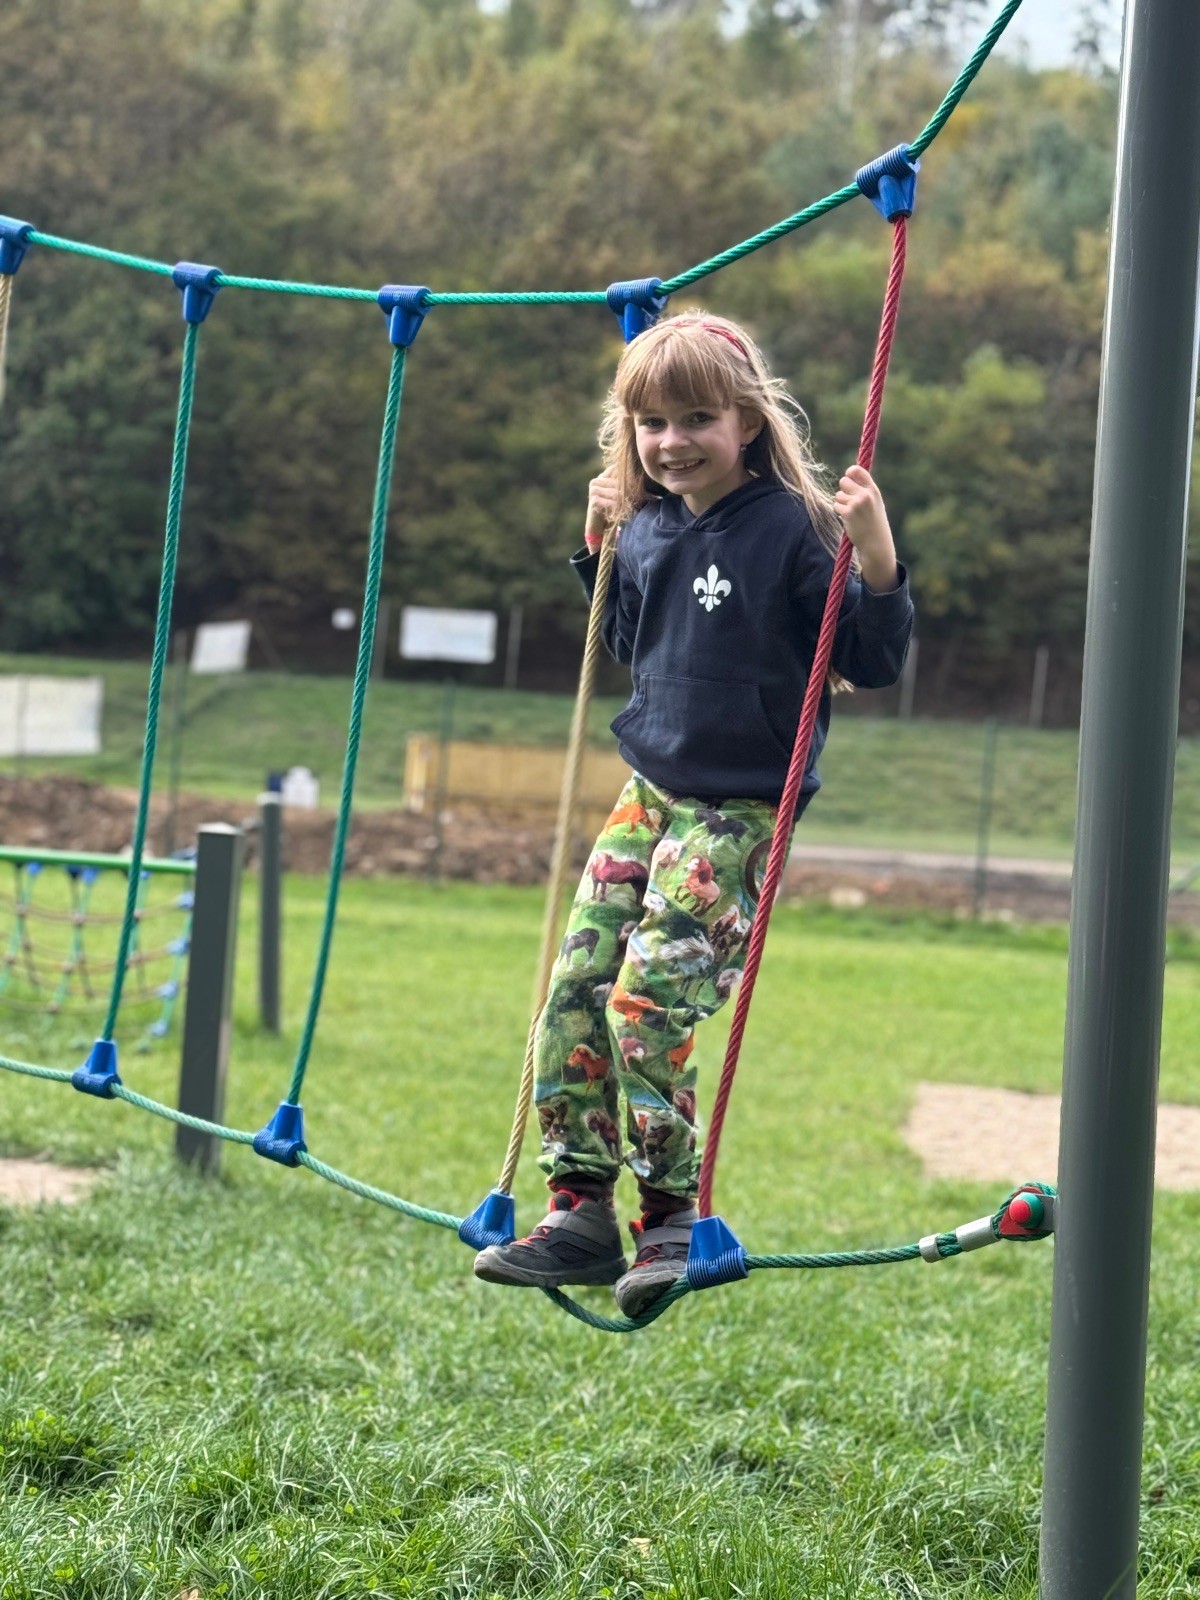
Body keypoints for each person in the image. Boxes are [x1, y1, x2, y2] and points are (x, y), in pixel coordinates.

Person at [474, 310, 913, 1315]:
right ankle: (579, 1208)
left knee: (645, 1008)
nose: (672, 442)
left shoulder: (796, 528)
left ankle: (669, 1215)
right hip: (650, 792)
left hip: (738, 808)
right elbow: (631, 639)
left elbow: (872, 657)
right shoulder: (647, 525)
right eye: (652, 424)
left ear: (747, 422)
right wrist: (597, 548)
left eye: (697, 419)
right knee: (574, 993)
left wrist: (877, 558)